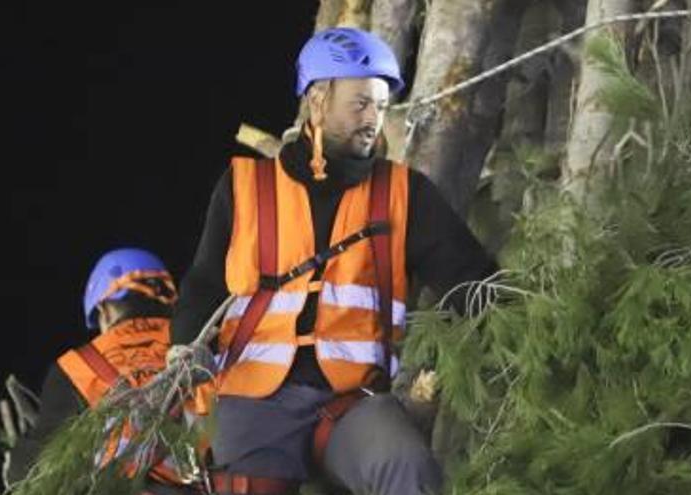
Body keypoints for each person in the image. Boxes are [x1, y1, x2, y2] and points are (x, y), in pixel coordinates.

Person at [170, 27, 497, 495]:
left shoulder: (404, 194)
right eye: (360, 104)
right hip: (255, 396)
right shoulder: (244, 188)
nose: (373, 120)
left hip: (353, 402)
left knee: (407, 467)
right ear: (318, 101)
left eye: (381, 107)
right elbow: (203, 285)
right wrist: (183, 348)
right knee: (243, 485)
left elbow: (471, 280)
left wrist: (519, 315)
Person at [7, 247, 198, 495]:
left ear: (104, 310)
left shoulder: (78, 365)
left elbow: (36, 467)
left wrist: (16, 461)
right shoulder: (200, 345)